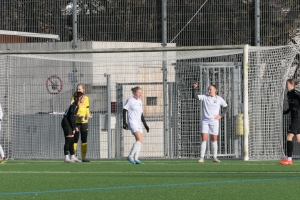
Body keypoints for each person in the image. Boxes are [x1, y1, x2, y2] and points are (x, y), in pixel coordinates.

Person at [192, 82, 228, 163]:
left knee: (214, 139)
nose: (209, 91)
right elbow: (195, 96)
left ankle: (215, 157)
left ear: (215, 90)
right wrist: (194, 88)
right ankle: (201, 157)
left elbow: (226, 107)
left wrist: (221, 115)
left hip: (214, 121)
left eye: (210, 89)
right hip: (205, 121)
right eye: (208, 89)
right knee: (204, 139)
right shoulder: (205, 97)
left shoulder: (219, 99)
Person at [123, 86, 149, 164]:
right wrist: (124, 122)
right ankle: (130, 156)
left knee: (140, 141)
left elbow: (141, 114)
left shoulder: (140, 101)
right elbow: (124, 110)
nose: (140, 94)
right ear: (134, 93)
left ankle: (136, 158)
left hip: (138, 123)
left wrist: (145, 124)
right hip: (132, 122)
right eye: (138, 93)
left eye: (141, 93)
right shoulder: (130, 100)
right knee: (139, 140)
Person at [280, 78, 300, 165]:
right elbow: (292, 105)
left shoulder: (295, 93)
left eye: (287, 84)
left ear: (292, 85)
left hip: (297, 117)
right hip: (294, 117)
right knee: (299, 139)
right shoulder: (288, 94)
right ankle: (289, 159)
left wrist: (297, 108)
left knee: (288, 137)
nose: (286, 85)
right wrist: (287, 111)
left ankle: (289, 159)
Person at [61, 91, 84, 163]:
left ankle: (73, 156)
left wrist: (75, 126)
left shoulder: (76, 106)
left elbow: (73, 118)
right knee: (68, 140)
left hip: (69, 122)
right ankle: (66, 157)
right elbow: (71, 118)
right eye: (82, 97)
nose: (84, 99)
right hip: (66, 123)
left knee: (72, 140)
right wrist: (74, 127)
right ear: (79, 98)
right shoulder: (74, 106)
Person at [71, 84, 92, 162]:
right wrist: (77, 116)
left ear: (83, 90)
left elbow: (87, 108)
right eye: (77, 89)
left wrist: (88, 115)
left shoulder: (86, 98)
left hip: (84, 121)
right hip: (76, 121)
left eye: (80, 89)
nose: (78, 90)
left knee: (84, 139)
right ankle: (73, 156)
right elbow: (72, 109)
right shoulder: (73, 98)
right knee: (75, 139)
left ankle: (84, 157)